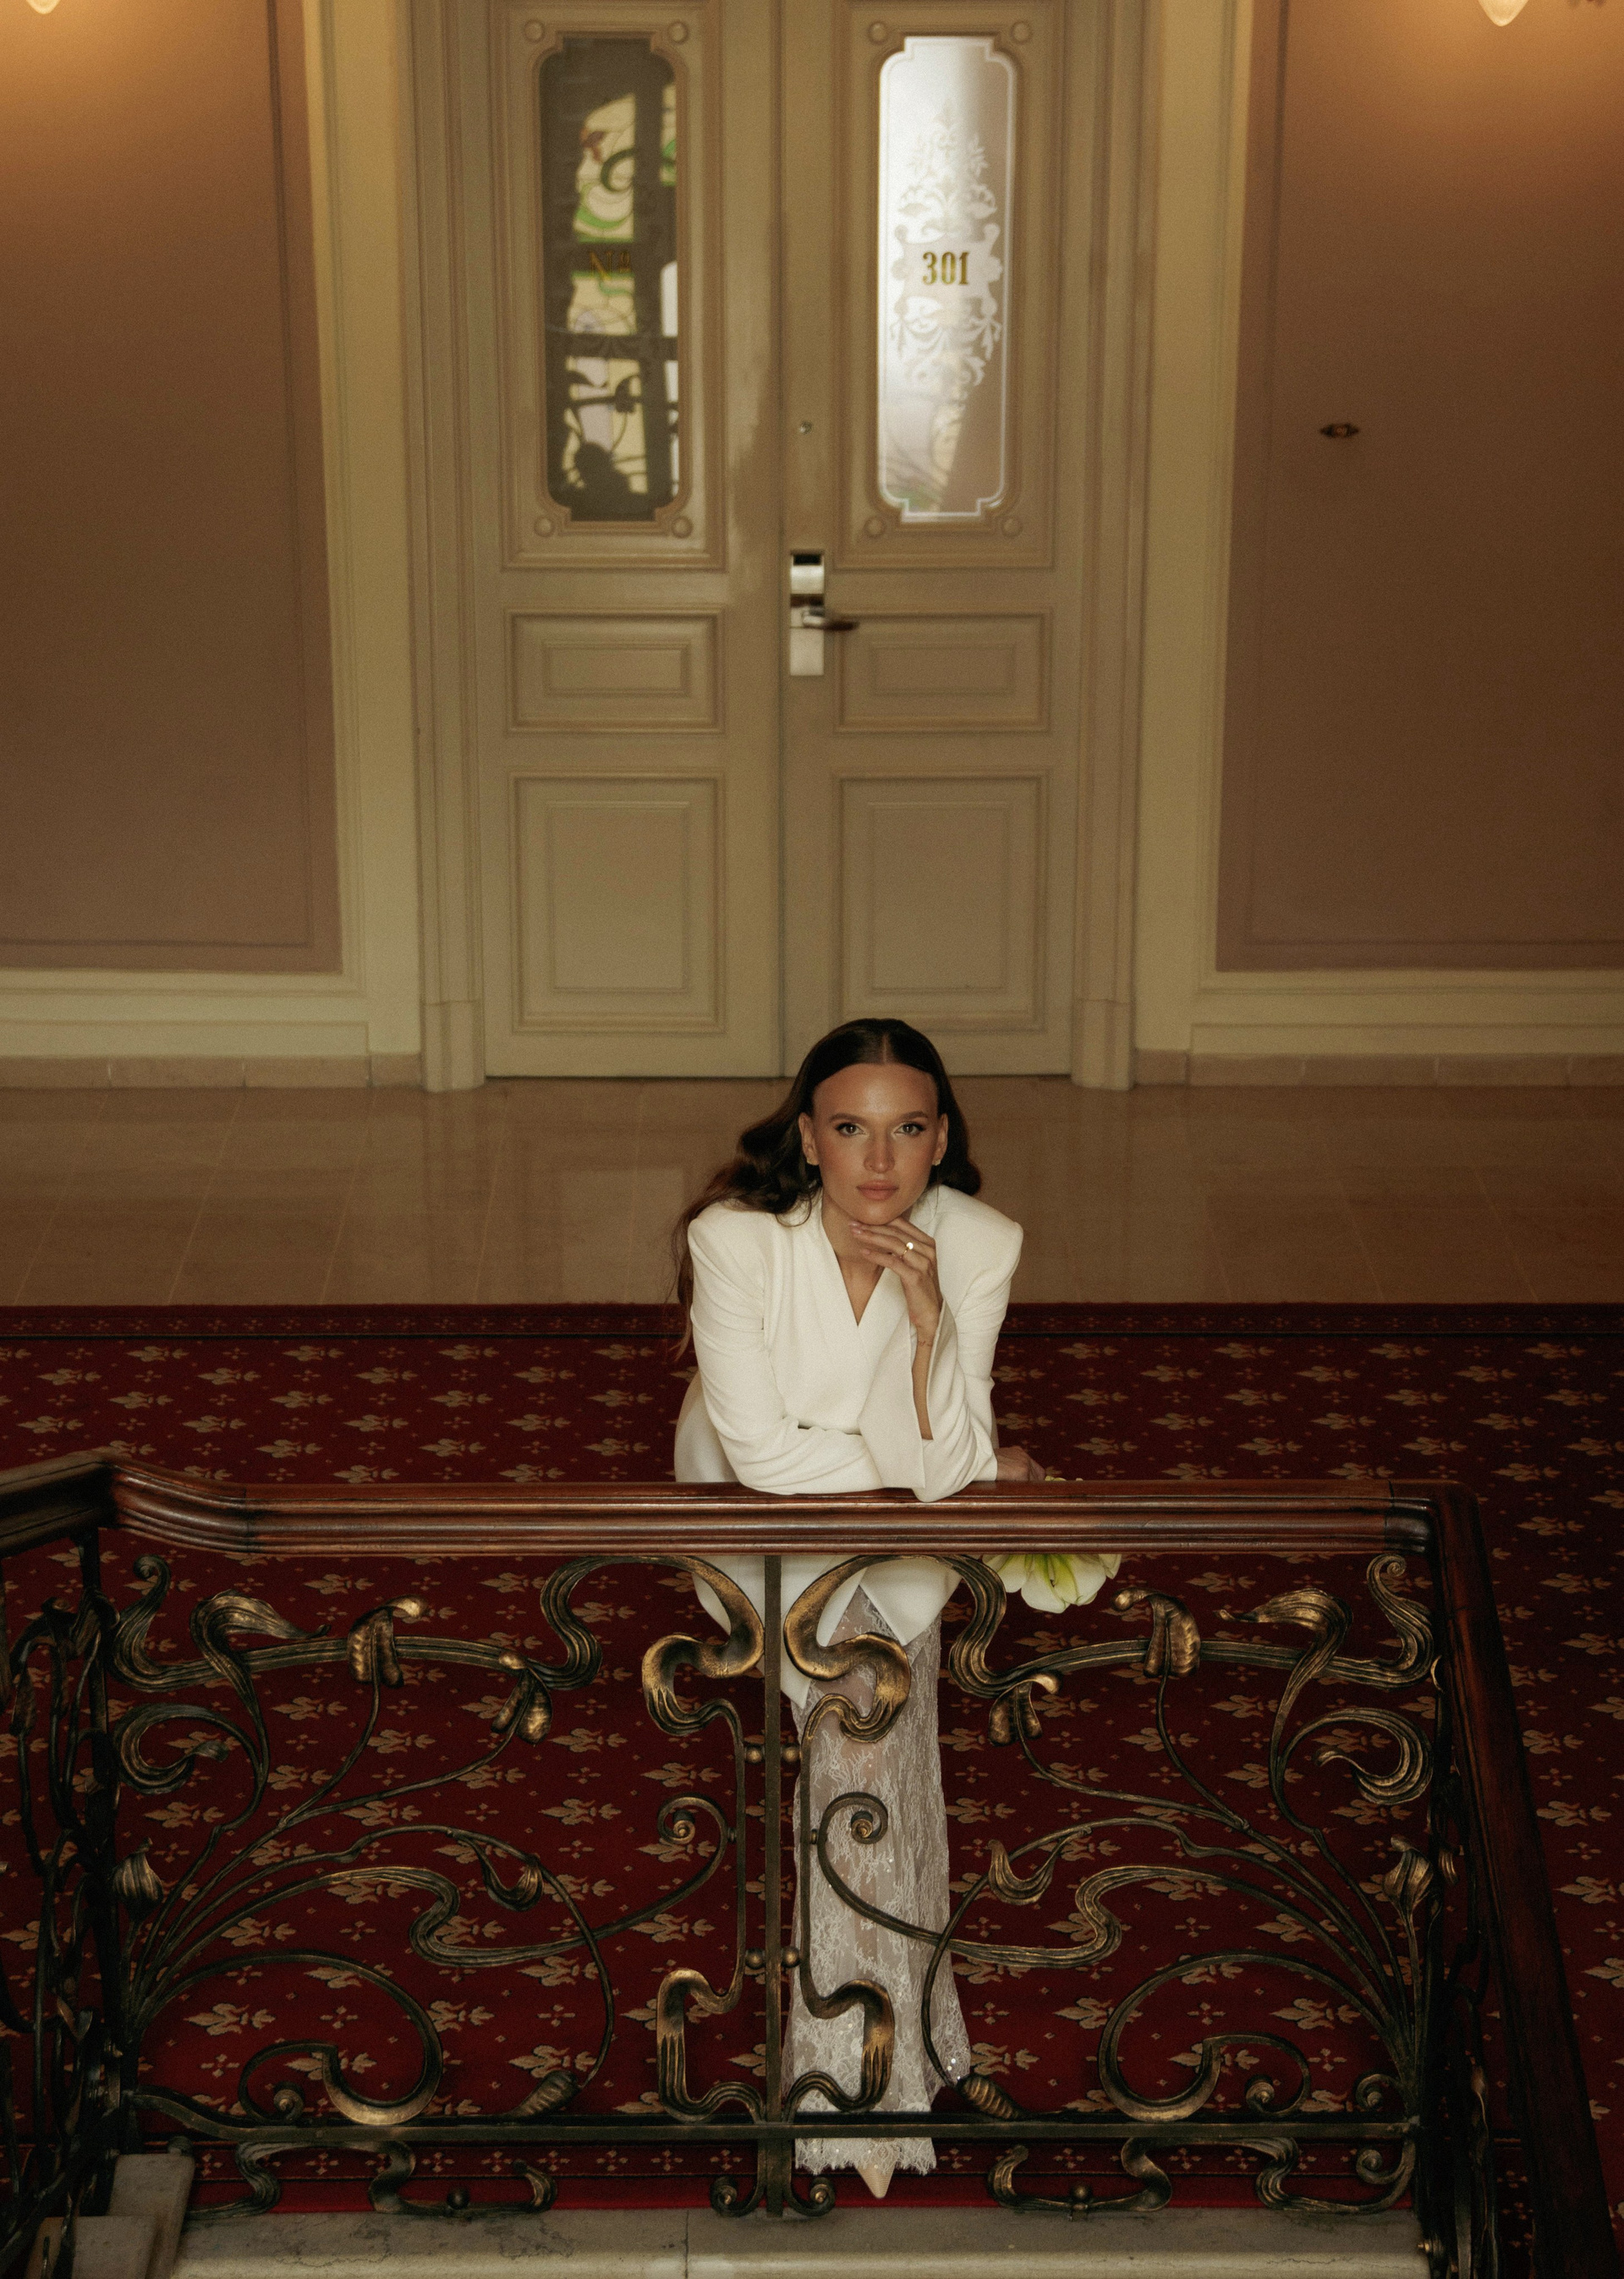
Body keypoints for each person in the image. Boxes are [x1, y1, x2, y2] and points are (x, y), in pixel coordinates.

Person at [671, 1019, 1116, 2196]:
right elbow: (765, 1458)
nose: (880, 1160)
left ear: (942, 1137)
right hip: (755, 1529)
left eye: (907, 1128)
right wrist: (950, 1469)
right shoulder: (735, 1240)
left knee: (885, 1744)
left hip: (905, 1533)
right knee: (866, 1722)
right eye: (852, 1128)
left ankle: (896, 2058)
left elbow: (942, 1462)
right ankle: (851, 2092)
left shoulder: (977, 1241)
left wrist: (929, 1327)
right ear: (809, 1137)